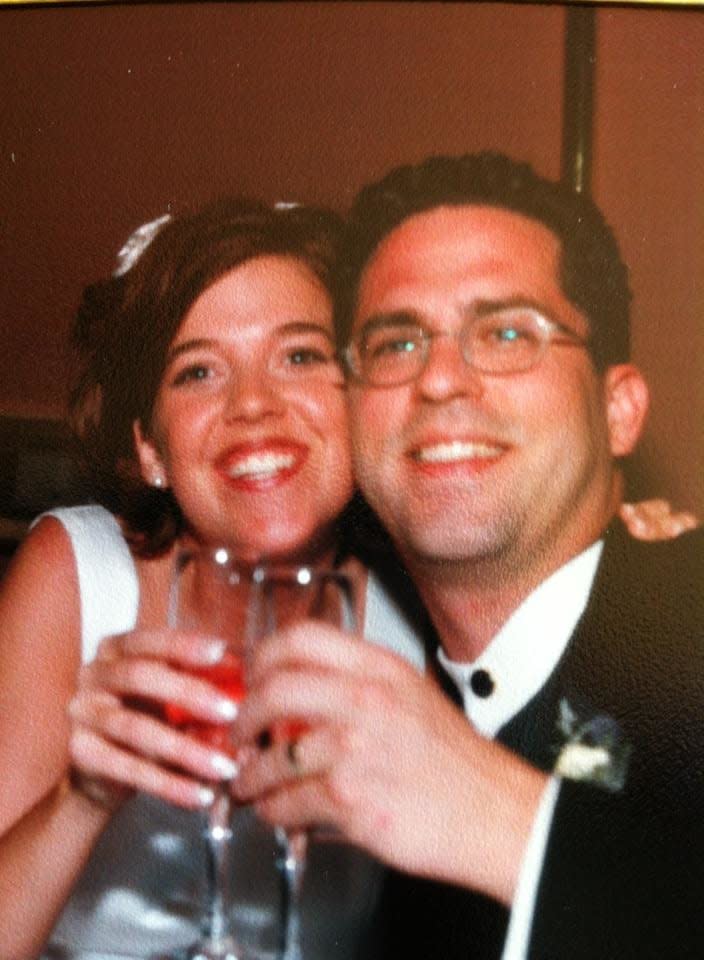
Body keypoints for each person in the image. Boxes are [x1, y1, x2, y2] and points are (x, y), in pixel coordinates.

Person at [230, 153, 704, 959]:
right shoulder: (360, 676)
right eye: (395, 343)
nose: (441, 380)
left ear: (618, 410)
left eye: (509, 332)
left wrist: (503, 825)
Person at [0, 199, 425, 960]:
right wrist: (83, 797)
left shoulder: (422, 607)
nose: (253, 405)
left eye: (300, 356)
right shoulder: (76, 576)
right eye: (198, 372)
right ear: (149, 448)